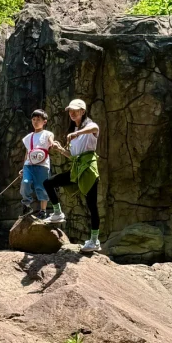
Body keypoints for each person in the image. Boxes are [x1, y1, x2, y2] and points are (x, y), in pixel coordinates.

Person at [43, 98, 101, 253]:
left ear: (83, 111)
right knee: (48, 183)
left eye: (75, 110)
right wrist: (60, 149)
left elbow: (95, 127)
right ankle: (57, 213)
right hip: (77, 169)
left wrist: (78, 133)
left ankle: (94, 240)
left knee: (92, 206)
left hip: (88, 169)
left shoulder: (88, 126)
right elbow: (73, 156)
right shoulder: (73, 133)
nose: (72, 113)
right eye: (70, 110)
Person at [19, 108, 60, 218]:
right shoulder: (28, 137)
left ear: (44, 121)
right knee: (25, 182)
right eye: (33, 119)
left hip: (42, 166)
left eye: (38, 119)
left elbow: (51, 141)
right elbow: (27, 153)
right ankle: (26, 204)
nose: (35, 122)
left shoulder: (47, 133)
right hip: (29, 165)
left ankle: (43, 210)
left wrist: (53, 144)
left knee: (41, 188)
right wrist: (23, 167)